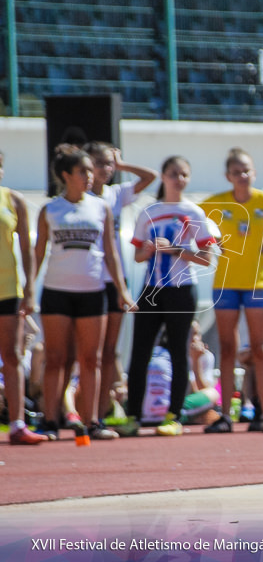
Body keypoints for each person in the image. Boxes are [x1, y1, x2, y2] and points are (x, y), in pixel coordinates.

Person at [34, 144, 134, 441]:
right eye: (83, 171)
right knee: (55, 357)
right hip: (57, 291)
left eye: (91, 170)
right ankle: (51, 421)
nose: (90, 176)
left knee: (92, 358)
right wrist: (28, 290)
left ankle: (92, 421)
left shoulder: (101, 206)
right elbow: (38, 252)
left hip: (93, 290)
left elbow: (111, 253)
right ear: (66, 175)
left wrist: (122, 290)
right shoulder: (50, 209)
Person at [200, 148, 263, 434]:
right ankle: (226, 416)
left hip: (259, 282)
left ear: (254, 173)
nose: (242, 176)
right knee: (228, 348)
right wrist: (209, 241)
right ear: (228, 176)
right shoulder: (218, 202)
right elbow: (191, 217)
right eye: (236, 172)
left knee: (260, 347)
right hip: (226, 283)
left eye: (246, 171)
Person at [119, 156, 218, 437]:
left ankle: (174, 416)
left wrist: (174, 248)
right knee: (140, 353)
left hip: (182, 290)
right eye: (174, 174)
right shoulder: (148, 211)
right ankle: (133, 416)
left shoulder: (194, 212)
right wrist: (148, 250)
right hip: (151, 290)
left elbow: (205, 257)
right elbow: (138, 255)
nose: (179, 179)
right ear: (163, 176)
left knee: (179, 353)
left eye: (184, 174)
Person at [83, 142, 157, 424]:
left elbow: (150, 177)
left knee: (108, 351)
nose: (106, 169)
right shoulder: (80, 198)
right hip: (86, 278)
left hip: (115, 279)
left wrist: (122, 164)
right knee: (86, 353)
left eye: (108, 164)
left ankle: (100, 415)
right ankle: (74, 412)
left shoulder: (117, 194)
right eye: (99, 163)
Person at [0, 151, 47, 444]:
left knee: (12, 355)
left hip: (7, 288)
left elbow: (28, 249)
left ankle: (17, 423)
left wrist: (30, 288)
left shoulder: (13, 200)